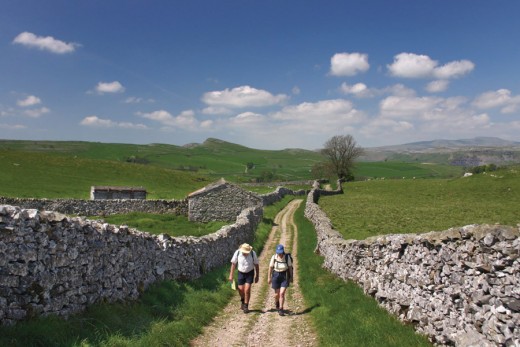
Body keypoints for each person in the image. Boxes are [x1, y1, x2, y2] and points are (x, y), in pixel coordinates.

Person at [229, 243, 259, 313]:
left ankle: (246, 306)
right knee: (240, 289)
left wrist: (257, 276)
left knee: (247, 289)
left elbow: (256, 265)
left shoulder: (252, 253)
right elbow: (233, 264)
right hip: (241, 273)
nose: (246, 254)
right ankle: (243, 300)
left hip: (250, 273)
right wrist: (231, 275)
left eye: (247, 252)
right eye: (244, 252)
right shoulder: (237, 252)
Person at [267, 244, 293, 316]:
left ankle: (281, 309)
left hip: (284, 276)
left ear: (283, 251)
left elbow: (290, 268)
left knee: (282, 293)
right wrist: (269, 277)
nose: (280, 254)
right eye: (278, 252)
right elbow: (270, 268)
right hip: (275, 275)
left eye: (281, 252)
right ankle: (277, 302)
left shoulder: (287, 258)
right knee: (276, 294)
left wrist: (291, 277)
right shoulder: (274, 257)